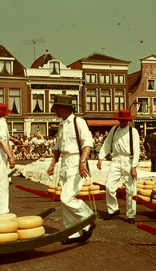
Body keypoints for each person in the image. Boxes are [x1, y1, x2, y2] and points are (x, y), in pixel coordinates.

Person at [47, 94, 95, 245]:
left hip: (76, 160)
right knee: (65, 200)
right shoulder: (62, 125)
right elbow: (57, 147)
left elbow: (88, 142)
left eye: (55, 107)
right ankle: (73, 232)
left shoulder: (78, 121)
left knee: (67, 197)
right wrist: (53, 163)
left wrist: (82, 161)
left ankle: (88, 218)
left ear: (64, 108)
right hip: (65, 162)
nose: (53, 109)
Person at [97, 110, 139, 224]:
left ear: (129, 121)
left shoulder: (133, 132)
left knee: (130, 188)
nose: (123, 123)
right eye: (121, 120)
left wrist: (134, 166)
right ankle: (113, 209)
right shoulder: (114, 129)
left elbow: (136, 149)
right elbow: (107, 144)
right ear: (118, 120)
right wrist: (100, 158)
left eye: (125, 121)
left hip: (128, 160)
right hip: (116, 160)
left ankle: (130, 214)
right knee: (109, 186)